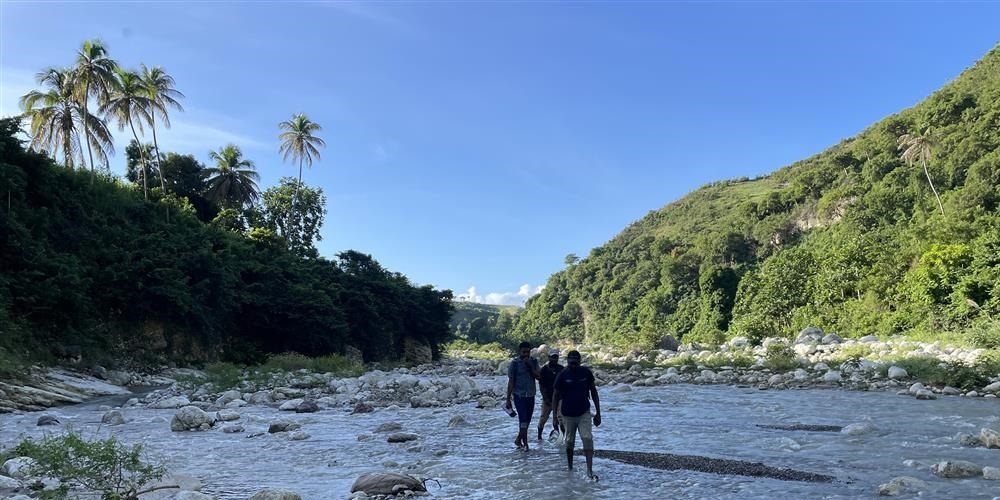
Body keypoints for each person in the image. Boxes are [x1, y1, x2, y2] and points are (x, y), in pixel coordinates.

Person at [552, 350, 601, 480]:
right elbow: (555, 396)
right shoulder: (562, 374)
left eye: (576, 363)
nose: (573, 365)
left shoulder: (586, 373)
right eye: (571, 363)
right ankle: (570, 467)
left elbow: (594, 392)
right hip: (567, 414)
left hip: (584, 412)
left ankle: (589, 470)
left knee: (587, 438)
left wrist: (598, 413)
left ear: (580, 362)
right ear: (567, 361)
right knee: (569, 441)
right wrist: (554, 417)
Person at [506, 341, 540, 451]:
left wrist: (529, 366)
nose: (526, 354)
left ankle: (518, 440)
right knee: (523, 420)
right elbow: (511, 382)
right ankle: (526, 444)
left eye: (528, 352)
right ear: (519, 351)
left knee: (527, 421)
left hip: (531, 395)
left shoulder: (534, 362)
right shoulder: (514, 364)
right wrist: (508, 399)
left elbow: (538, 377)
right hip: (519, 396)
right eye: (524, 352)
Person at [537, 348, 564, 440]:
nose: (554, 359)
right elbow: (541, 385)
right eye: (552, 357)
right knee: (543, 418)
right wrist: (545, 398)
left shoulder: (562, 369)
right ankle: (539, 437)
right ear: (549, 357)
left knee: (560, 418)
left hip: (559, 398)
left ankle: (561, 437)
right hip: (547, 398)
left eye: (556, 357)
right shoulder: (544, 370)